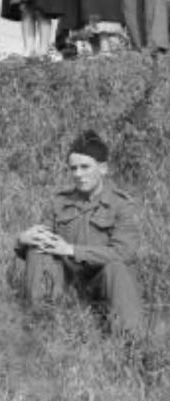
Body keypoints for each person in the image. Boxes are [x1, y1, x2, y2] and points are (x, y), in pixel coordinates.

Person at [13, 130, 142, 336]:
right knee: (37, 252)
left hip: (104, 284)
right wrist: (22, 240)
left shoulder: (121, 205)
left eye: (85, 167)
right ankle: (40, 326)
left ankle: (132, 344)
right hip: (68, 284)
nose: (78, 174)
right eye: (73, 168)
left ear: (103, 168)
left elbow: (125, 253)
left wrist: (71, 250)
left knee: (117, 267)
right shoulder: (60, 202)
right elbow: (44, 243)